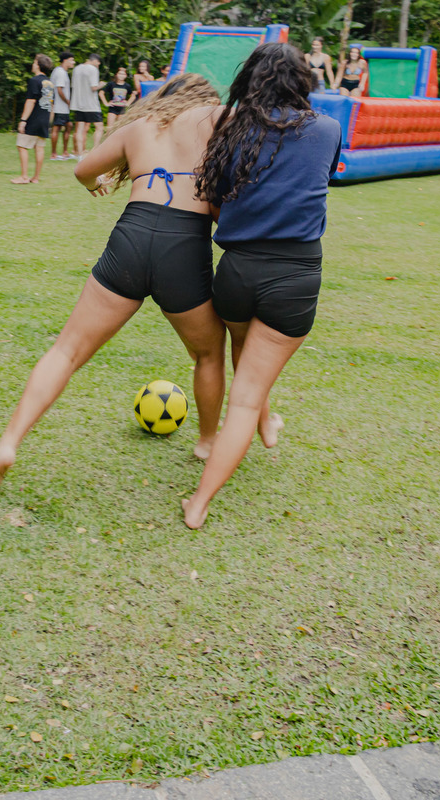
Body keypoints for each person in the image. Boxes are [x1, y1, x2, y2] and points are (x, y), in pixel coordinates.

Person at [0, 75, 226, 490]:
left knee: (67, 350)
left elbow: (83, 171)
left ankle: (8, 443)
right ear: (205, 100)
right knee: (208, 354)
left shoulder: (140, 127)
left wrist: (101, 183)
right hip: (184, 244)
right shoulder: (215, 121)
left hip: (132, 234)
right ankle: (206, 441)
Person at [181, 43, 342, 530]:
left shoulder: (231, 131)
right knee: (246, 396)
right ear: (303, 81)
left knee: (245, 352)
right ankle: (200, 502)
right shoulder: (329, 129)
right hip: (293, 276)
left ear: (250, 80)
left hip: (236, 271)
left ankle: (267, 423)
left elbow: (213, 204)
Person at [13, 54, 54, 185]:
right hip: (44, 118)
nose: (32, 64)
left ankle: (24, 177)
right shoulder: (50, 83)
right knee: (39, 148)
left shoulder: (34, 81)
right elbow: (52, 104)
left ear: (38, 65)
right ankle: (35, 177)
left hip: (34, 118)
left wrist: (23, 120)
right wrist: (50, 122)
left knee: (21, 146)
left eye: (34, 62)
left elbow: (30, 101)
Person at [71, 53, 104, 157]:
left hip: (78, 103)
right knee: (99, 127)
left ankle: (80, 153)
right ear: (95, 61)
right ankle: (95, 150)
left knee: (79, 129)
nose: (98, 65)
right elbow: (93, 87)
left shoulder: (76, 69)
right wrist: (101, 85)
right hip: (91, 104)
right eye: (98, 63)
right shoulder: (93, 69)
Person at [50, 52, 76, 161]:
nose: (73, 62)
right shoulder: (60, 72)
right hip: (60, 107)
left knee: (69, 125)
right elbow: (59, 89)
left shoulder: (61, 71)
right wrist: (68, 101)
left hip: (63, 107)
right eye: (71, 60)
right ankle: (54, 154)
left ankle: (65, 152)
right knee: (56, 128)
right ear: (65, 60)